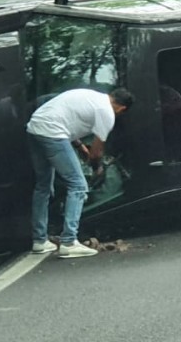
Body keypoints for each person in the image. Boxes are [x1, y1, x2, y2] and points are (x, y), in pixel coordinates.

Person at [26, 87, 133, 258]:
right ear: (122, 109)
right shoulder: (107, 113)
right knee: (78, 185)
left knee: (43, 186)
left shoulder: (90, 96)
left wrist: (81, 147)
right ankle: (69, 242)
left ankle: (40, 241)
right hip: (53, 132)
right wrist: (97, 166)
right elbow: (97, 153)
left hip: (35, 128)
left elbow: (67, 120)